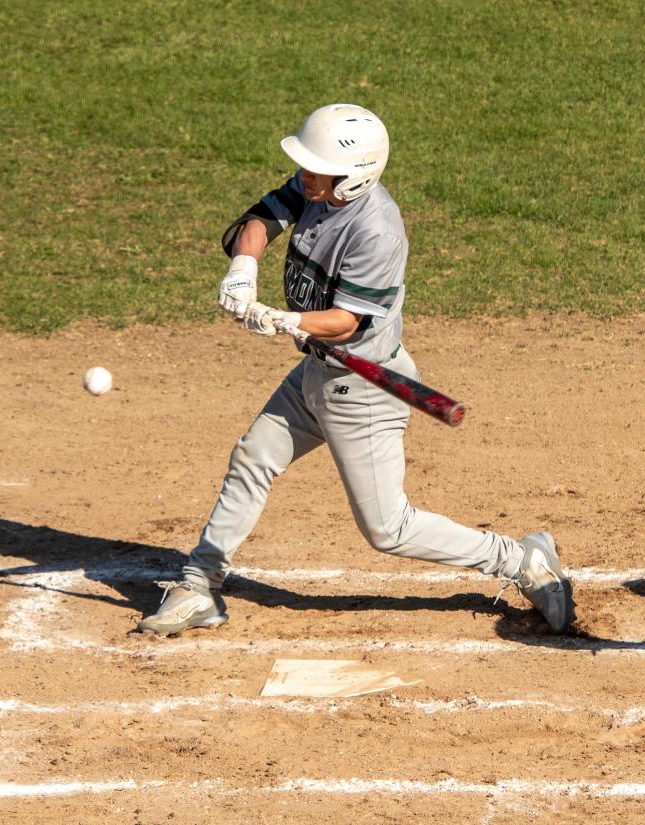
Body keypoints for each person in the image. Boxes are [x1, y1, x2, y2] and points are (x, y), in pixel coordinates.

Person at [137, 103, 573, 637]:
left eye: (315, 168)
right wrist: (243, 270)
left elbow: (345, 323)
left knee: (388, 529)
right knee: (254, 456)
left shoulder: (377, 231)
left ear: (353, 177)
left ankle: (521, 560)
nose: (303, 175)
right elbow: (259, 221)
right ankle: (200, 583)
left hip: (361, 387)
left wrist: (285, 319)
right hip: (316, 376)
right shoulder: (317, 185)